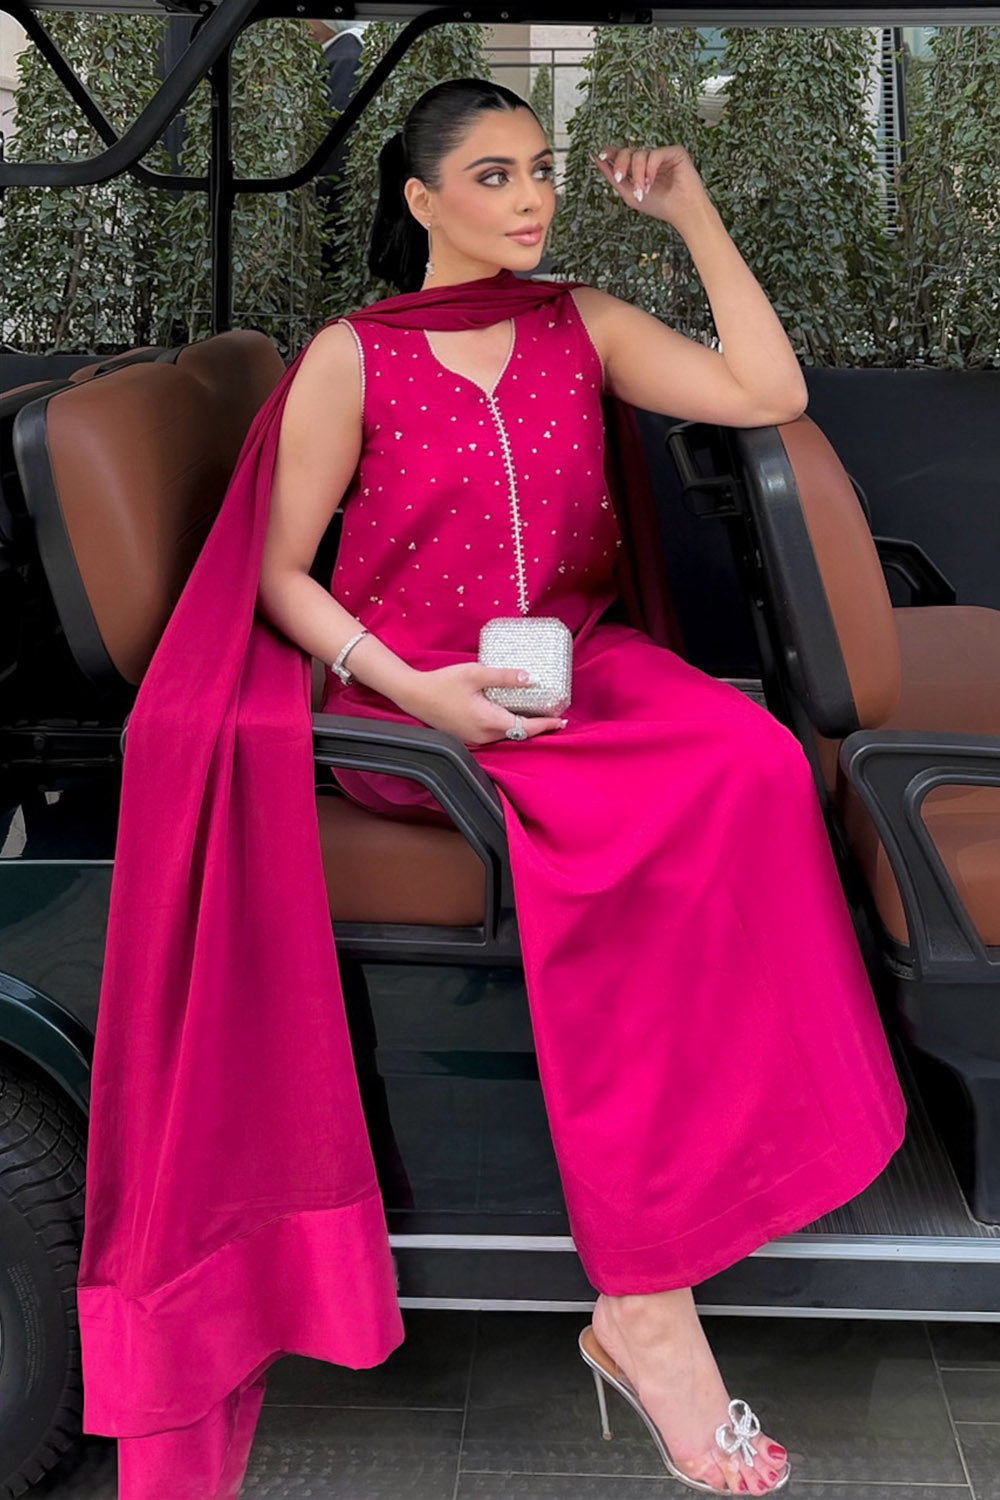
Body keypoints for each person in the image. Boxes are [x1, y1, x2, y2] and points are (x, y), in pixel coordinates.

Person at [255, 78, 907, 1496]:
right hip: (416, 697)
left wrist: (692, 216)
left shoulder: (582, 323)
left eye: (540, 168)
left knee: (757, 763)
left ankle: (727, 1194)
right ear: (421, 200)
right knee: (623, 844)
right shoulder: (350, 358)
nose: (532, 197)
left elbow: (770, 393)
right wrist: (413, 689)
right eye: (493, 175)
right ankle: (647, 1307)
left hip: (574, 663)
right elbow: (279, 575)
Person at [305, 18, 363, 269]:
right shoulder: (339, 50)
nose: (303, 24)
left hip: (333, 196)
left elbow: (335, 137)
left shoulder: (346, 56)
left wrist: (316, 192)